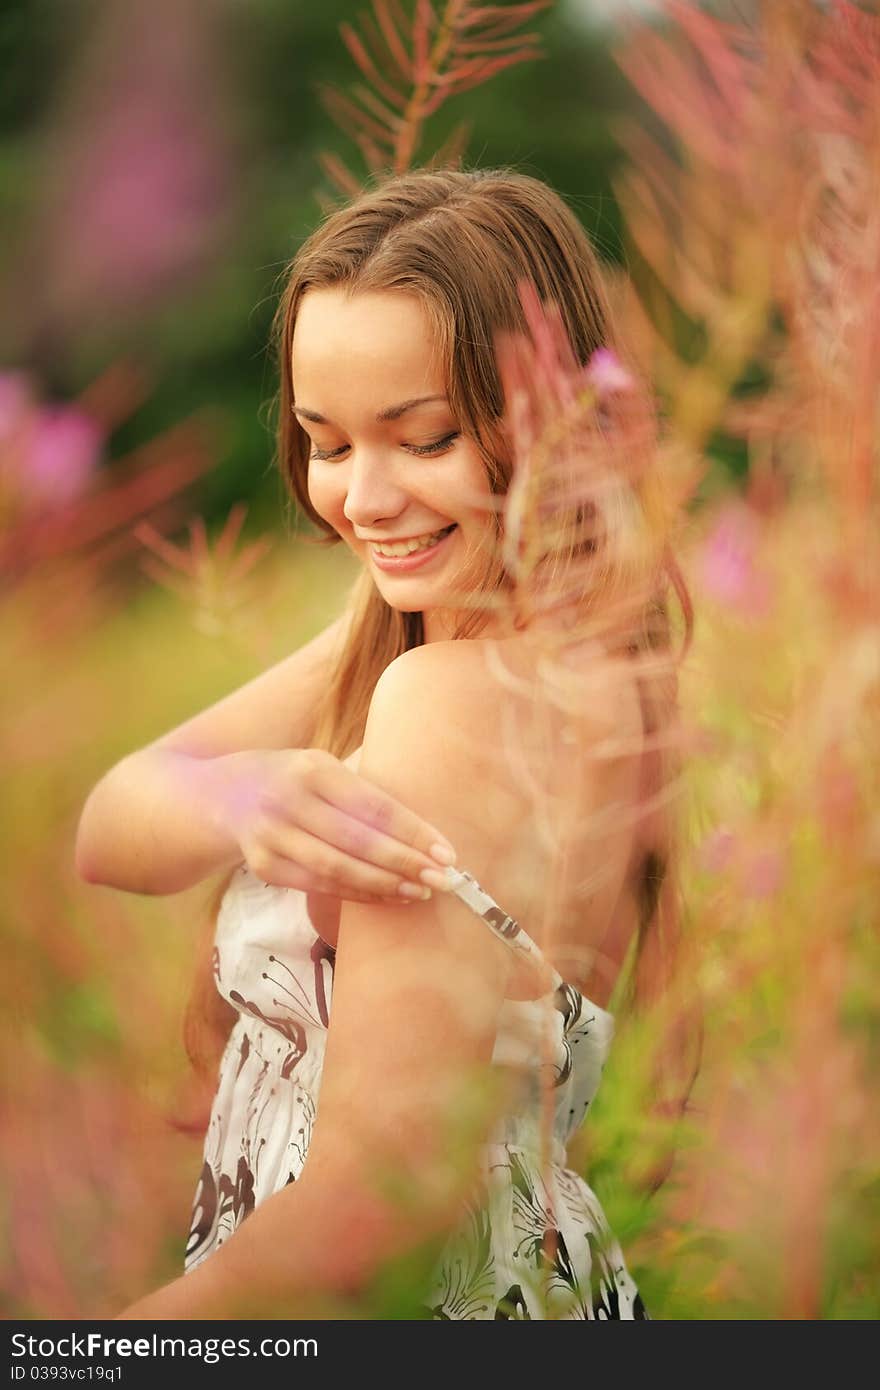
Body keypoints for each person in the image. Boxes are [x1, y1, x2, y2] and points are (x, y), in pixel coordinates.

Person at [75, 166, 693, 1320]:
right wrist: (239, 800)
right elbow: (113, 827)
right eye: (327, 441)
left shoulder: (451, 693)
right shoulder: (480, 641)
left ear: (551, 419)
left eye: (424, 436)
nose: (361, 498)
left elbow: (375, 1201)